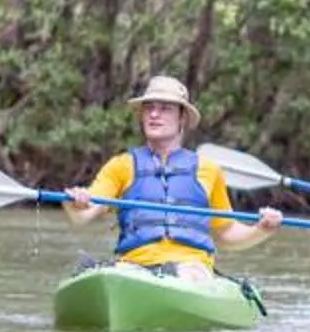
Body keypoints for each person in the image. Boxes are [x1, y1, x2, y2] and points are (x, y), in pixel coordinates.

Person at [63, 74, 285, 270]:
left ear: (183, 118)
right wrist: (74, 203)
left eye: (165, 108)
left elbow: (226, 234)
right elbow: (83, 215)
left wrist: (262, 229)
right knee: (123, 272)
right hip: (134, 265)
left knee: (190, 274)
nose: (154, 115)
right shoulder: (121, 165)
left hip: (192, 267)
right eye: (149, 108)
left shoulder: (208, 170)